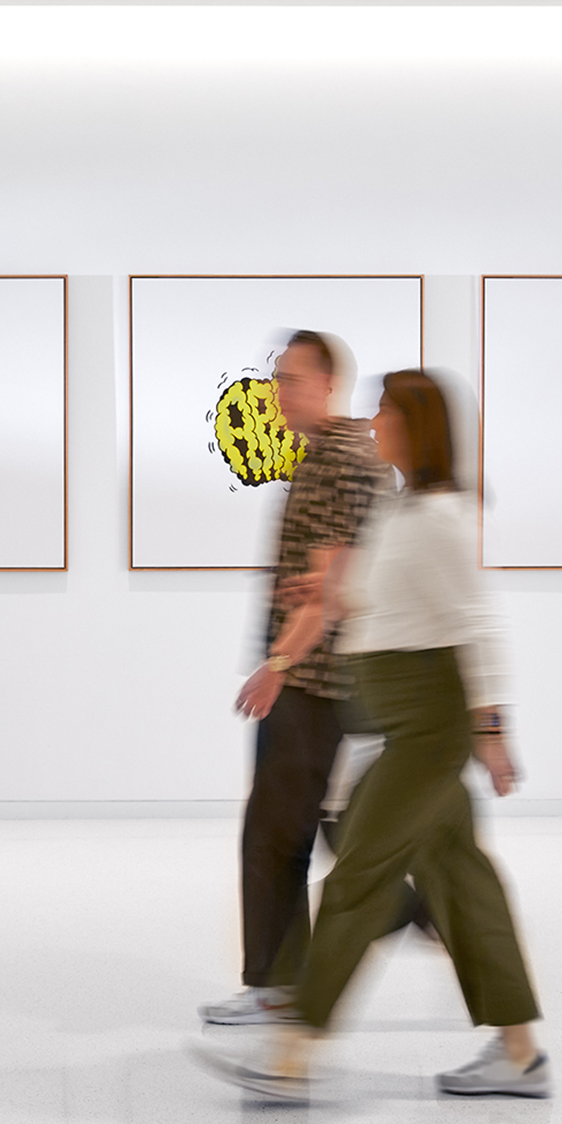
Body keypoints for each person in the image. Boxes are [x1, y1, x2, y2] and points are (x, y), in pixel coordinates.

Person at [204, 369, 550, 1101]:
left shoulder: (442, 518)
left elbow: (477, 624)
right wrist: (325, 591)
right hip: (401, 723)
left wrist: (489, 730)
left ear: (415, 424)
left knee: (358, 873)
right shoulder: (402, 509)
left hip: (429, 729)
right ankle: (519, 1051)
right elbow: (381, 598)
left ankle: (294, 1053)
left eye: (385, 408)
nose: (373, 419)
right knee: (464, 880)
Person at [201, 331, 389, 1026]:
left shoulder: (343, 460)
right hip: (315, 677)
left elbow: (330, 581)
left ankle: (278, 986)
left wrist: (278, 665)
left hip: (315, 680)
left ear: (330, 383)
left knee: (275, 836)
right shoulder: (319, 457)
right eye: (276, 377)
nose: (278, 391)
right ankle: (422, 904)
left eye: (292, 378)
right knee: (308, 831)